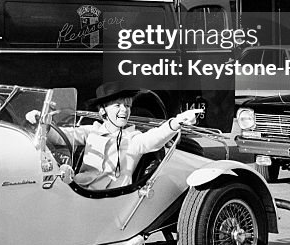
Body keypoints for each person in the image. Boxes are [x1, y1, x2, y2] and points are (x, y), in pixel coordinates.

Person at [31, 80, 203, 191]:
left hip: (114, 199)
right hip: (82, 190)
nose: (124, 111)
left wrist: (177, 122)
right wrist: (43, 123)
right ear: (102, 111)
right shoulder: (92, 131)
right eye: (117, 106)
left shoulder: (133, 138)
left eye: (127, 106)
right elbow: (61, 137)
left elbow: (154, 138)